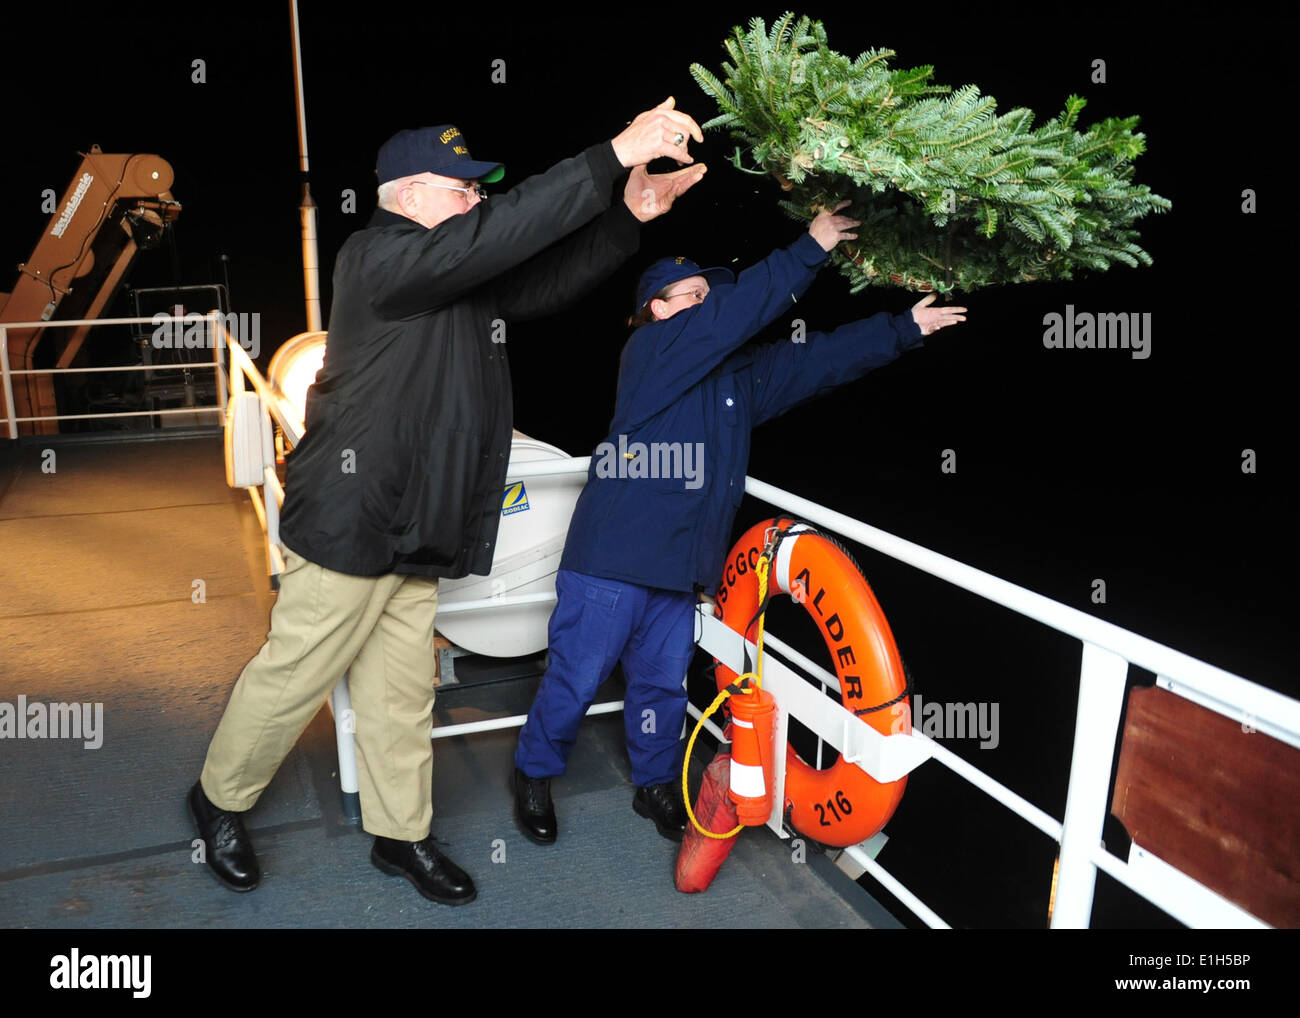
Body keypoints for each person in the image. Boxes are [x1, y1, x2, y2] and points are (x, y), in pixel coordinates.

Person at [188, 100, 708, 905]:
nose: (475, 199)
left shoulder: (456, 281)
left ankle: (400, 835)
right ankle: (219, 800)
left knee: (402, 693)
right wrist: (609, 155)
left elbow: (540, 282)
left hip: (423, 525)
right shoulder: (378, 260)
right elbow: (502, 233)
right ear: (408, 195)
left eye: (476, 189)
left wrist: (626, 216)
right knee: (294, 674)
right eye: (460, 188)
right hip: (352, 518)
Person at [512, 201, 966, 844]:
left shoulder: (734, 380)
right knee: (576, 678)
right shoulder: (651, 351)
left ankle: (654, 786)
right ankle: (534, 772)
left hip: (677, 572)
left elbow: (819, 361)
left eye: (708, 295)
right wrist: (812, 245)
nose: (704, 304)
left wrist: (905, 328)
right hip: (610, 561)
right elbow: (734, 314)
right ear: (657, 310)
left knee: (661, 688)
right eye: (689, 295)